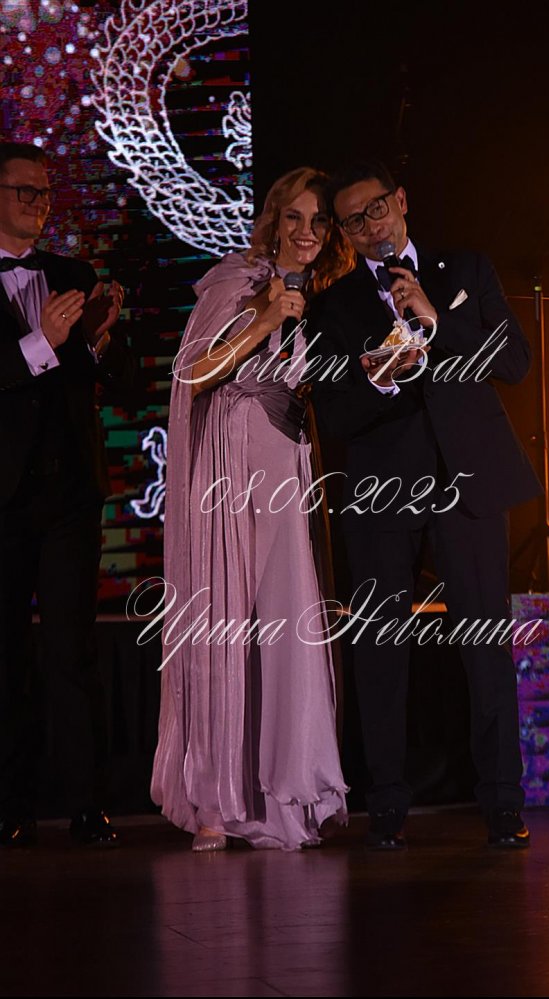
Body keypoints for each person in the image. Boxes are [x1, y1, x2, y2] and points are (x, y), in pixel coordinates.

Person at [308, 160, 543, 850]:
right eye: (353, 220)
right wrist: (381, 381)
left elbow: (515, 362)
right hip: (384, 488)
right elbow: (334, 413)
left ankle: (502, 801)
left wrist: (436, 323)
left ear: (402, 200)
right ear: (344, 231)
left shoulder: (463, 268)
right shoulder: (336, 304)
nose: (370, 226)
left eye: (377, 208)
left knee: (484, 643)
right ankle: (385, 802)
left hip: (468, 477)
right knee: (382, 645)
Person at [151, 167, 353, 851]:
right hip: (231, 458)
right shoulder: (238, 281)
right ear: (273, 220)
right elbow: (193, 372)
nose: (305, 231)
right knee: (226, 612)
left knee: (288, 619)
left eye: (319, 221)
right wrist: (265, 317)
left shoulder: (327, 297)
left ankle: (288, 794)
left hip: (288, 460)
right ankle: (217, 796)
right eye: (294, 217)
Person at [0, 141, 134, 846]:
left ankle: (87, 803)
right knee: (5, 654)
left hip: (71, 495)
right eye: (25, 190)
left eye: (46, 192)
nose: (39, 203)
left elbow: (120, 378)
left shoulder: (73, 275)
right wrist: (41, 343)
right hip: (3, 496)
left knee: (72, 650)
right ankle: (10, 804)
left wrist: (101, 340)